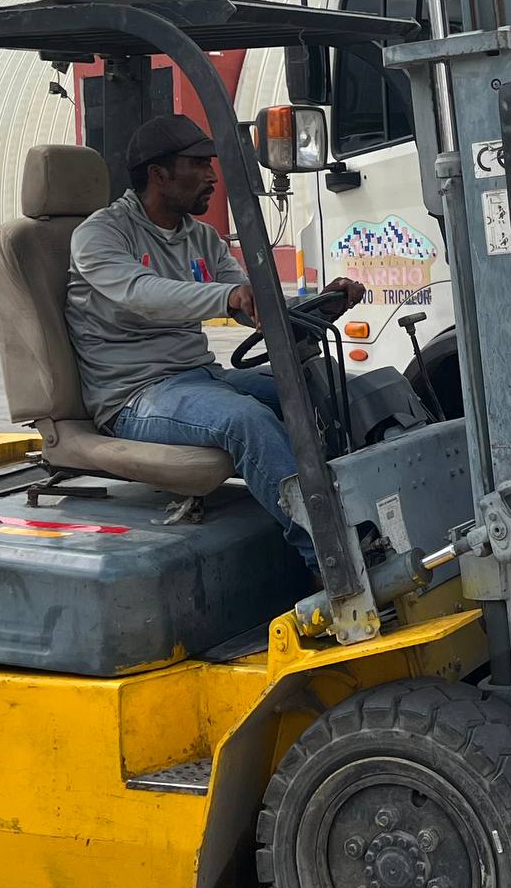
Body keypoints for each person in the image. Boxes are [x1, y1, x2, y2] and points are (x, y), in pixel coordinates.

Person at [66, 112, 364, 568]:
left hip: (200, 377)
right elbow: (142, 294)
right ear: (159, 174)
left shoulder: (200, 237)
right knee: (244, 419)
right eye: (199, 164)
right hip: (134, 396)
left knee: (331, 386)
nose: (211, 176)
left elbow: (249, 302)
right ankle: (334, 562)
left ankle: (368, 519)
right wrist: (228, 297)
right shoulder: (101, 234)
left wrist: (316, 305)